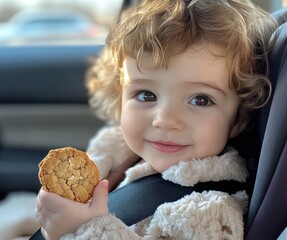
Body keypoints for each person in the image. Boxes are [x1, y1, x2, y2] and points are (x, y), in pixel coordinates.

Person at [36, 0, 278, 239]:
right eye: (145, 95)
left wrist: (78, 230)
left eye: (200, 100)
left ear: (239, 118)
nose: (165, 120)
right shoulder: (120, 157)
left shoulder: (209, 214)